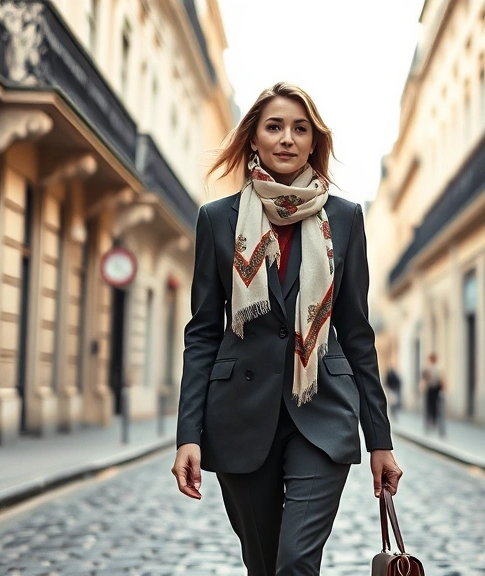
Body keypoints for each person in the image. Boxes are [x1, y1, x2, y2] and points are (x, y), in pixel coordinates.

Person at [171, 82, 402, 576]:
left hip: (322, 413)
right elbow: (204, 332)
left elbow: (358, 334)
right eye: (273, 127)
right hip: (239, 418)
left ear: (314, 142)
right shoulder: (217, 220)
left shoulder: (345, 219)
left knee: (296, 561)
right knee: (263, 565)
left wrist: (379, 439)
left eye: (300, 129)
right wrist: (187, 433)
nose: (287, 138)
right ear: (253, 137)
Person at [421, 352, 445, 437]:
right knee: (429, 408)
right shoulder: (427, 368)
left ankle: (439, 428)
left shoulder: (439, 368)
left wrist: (443, 388)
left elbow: (442, 379)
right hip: (430, 390)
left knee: (438, 409)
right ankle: (428, 425)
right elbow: (424, 378)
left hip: (437, 390)